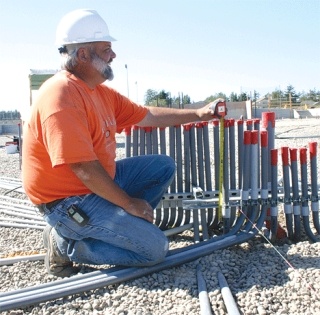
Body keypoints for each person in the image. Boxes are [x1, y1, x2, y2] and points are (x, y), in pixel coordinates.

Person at [22, 9, 226, 277]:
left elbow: (147, 115)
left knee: (161, 166)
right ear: (83, 55)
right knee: (154, 249)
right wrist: (129, 203)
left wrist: (200, 113)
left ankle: (120, 228)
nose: (114, 55)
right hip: (67, 202)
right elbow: (83, 167)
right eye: (106, 49)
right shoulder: (60, 95)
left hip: (94, 185)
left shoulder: (99, 92)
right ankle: (65, 245)